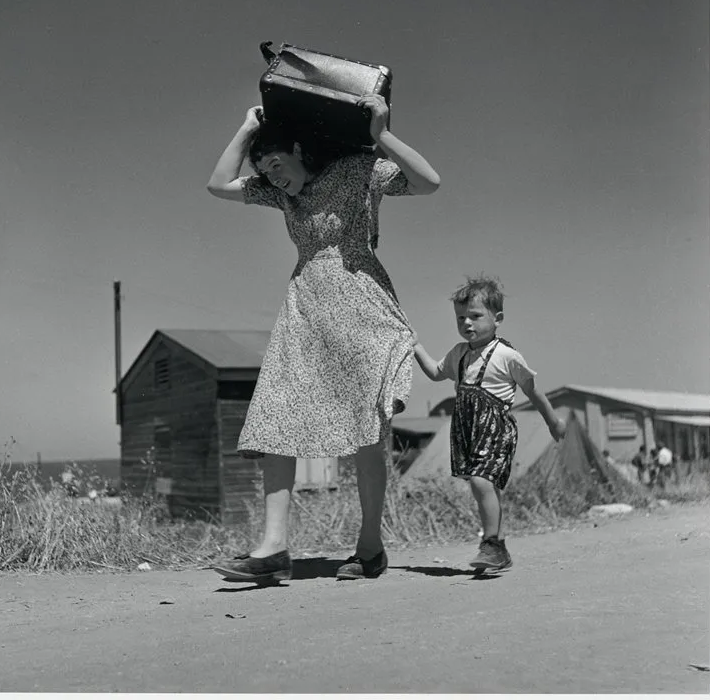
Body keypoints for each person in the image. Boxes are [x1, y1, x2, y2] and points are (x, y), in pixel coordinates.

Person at [207, 94, 440, 582]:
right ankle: (273, 549)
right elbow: (218, 184)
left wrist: (381, 136)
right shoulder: (281, 195)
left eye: (276, 163)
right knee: (275, 414)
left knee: (366, 432)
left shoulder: (359, 171)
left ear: (299, 148)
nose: (272, 176)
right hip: (305, 310)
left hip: (360, 306)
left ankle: (370, 547)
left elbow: (428, 183)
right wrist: (248, 129)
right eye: (265, 170)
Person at [413, 275, 565, 572]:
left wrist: (552, 421)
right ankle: (500, 548)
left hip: (495, 428)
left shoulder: (507, 355)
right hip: (468, 428)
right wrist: (415, 345)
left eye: (475, 316)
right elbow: (434, 372)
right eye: (460, 318)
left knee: (482, 481)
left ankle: (491, 544)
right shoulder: (458, 353)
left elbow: (532, 391)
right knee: (484, 485)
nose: (466, 323)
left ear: (498, 319)